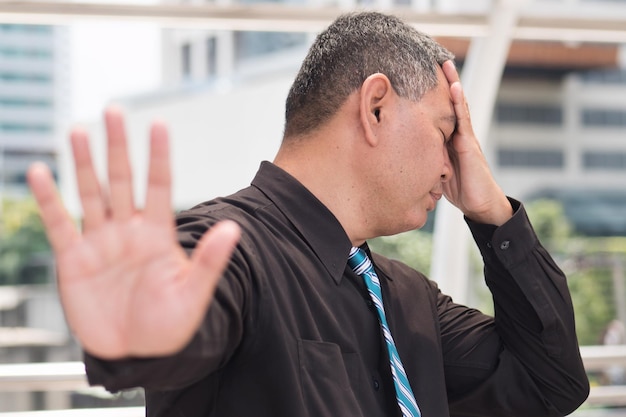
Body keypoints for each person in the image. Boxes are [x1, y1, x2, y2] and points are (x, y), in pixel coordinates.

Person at [27, 11, 589, 417]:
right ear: (375, 107)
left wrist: (494, 215)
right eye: (448, 131)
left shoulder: (407, 299)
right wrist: (140, 333)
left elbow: (552, 383)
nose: (455, 164)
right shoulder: (227, 250)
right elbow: (183, 319)